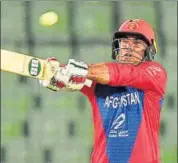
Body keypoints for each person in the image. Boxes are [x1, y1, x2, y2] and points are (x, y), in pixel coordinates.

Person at [39, 19, 167, 163]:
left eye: (137, 43)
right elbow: (73, 78)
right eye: (124, 42)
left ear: (148, 50)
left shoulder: (155, 73)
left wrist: (84, 70)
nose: (129, 48)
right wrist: (55, 71)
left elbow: (121, 73)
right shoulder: (98, 81)